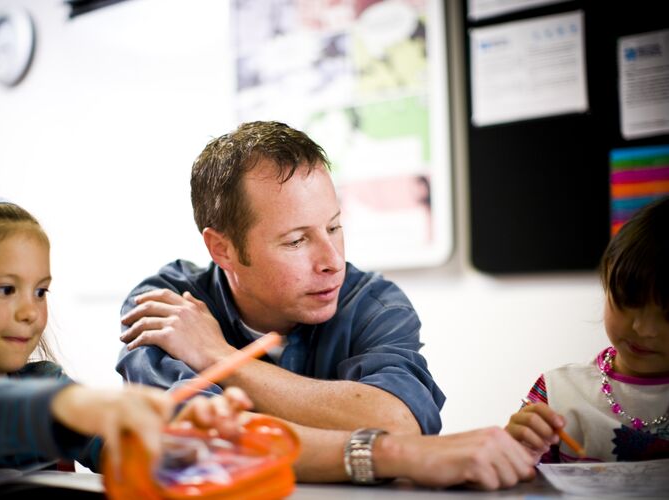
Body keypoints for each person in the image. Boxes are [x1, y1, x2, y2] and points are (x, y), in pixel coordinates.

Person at [117, 121, 536, 488]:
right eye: (297, 241)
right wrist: (371, 442)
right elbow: (194, 445)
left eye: (334, 227)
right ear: (222, 249)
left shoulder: (374, 304)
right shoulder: (167, 307)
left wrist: (219, 356)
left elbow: (397, 423)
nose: (332, 262)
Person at [0, 190, 252, 475]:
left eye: (40, 292)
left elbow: (116, 449)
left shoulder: (46, 382)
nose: (30, 312)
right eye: (6, 289)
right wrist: (73, 406)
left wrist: (181, 434)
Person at [506, 196, 669, 463]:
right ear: (607, 277)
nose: (644, 328)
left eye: (667, 316)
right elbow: (515, 477)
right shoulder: (558, 392)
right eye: (629, 301)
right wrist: (515, 451)